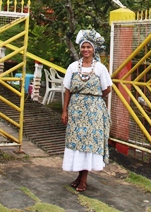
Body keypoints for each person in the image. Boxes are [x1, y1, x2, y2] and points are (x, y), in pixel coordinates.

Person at [61, 29, 112, 192]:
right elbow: (67, 89)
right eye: (83, 47)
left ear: (93, 49)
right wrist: (65, 111)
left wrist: (93, 98)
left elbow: (107, 89)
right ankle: (79, 176)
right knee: (77, 143)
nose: (86, 50)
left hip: (93, 112)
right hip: (76, 111)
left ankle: (83, 179)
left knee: (89, 144)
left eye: (89, 47)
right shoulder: (73, 67)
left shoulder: (100, 68)